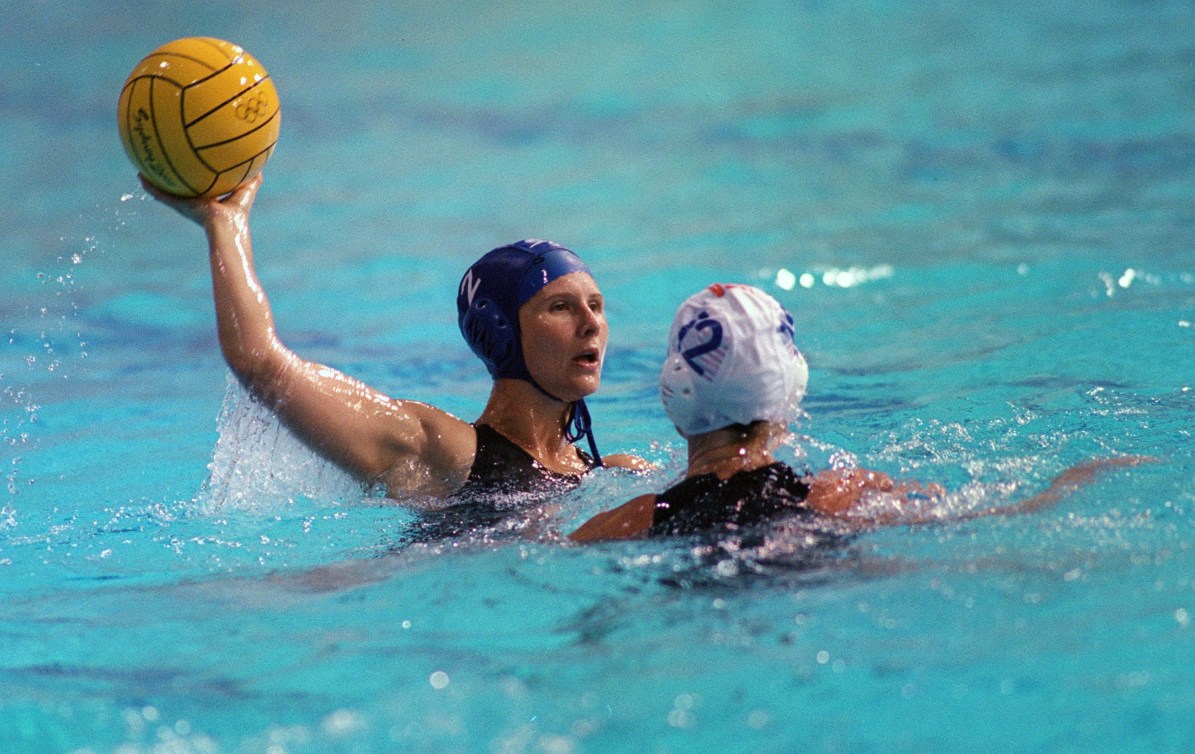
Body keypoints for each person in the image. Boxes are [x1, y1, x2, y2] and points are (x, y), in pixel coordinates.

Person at [143, 175, 646, 513]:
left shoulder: (616, 476)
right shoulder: (442, 451)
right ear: (502, 331)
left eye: (597, 306)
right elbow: (261, 364)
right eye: (560, 307)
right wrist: (224, 224)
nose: (591, 324)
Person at [570, 283, 1146, 542]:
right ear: (788, 394)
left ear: (676, 389)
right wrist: (1074, 483)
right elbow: (997, 515)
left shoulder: (629, 521)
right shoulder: (836, 495)